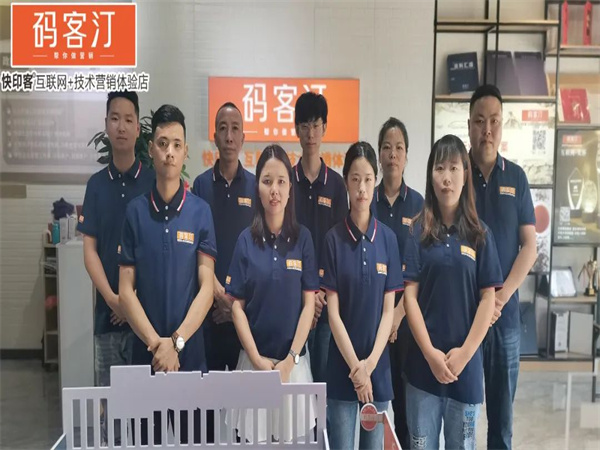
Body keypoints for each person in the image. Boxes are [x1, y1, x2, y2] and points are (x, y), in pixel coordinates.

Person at [118, 104, 216, 444]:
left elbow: (206, 288)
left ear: (186, 150)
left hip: (190, 357)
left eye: (176, 144)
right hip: (145, 357)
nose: (169, 152)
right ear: (151, 149)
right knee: (144, 442)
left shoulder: (200, 212)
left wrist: (175, 343)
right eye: (162, 144)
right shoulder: (134, 213)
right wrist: (157, 346)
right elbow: (125, 290)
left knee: (195, 441)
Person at [402, 134, 504, 449]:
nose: (446, 177)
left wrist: (465, 354)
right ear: (430, 175)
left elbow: (488, 298)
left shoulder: (480, 234)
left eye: (454, 168)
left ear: (465, 175)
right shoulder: (417, 231)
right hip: (423, 371)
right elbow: (409, 298)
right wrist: (430, 354)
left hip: (466, 373)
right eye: (439, 168)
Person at [77, 90, 155, 445]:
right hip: (106, 317)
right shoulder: (96, 186)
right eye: (114, 118)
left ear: (138, 128)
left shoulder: (153, 182)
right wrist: (113, 298)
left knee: (145, 412)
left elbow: (157, 248)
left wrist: (131, 300)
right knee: (110, 408)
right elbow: (89, 250)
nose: (121, 126)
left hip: (147, 322)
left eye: (128, 119)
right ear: (106, 125)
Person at [226, 144, 318, 443]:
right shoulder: (245, 240)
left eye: (281, 181)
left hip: (294, 366)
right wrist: (256, 359)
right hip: (254, 365)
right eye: (267, 181)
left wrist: (290, 360)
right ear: (258, 188)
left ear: (290, 189)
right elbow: (236, 307)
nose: (274, 190)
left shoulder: (303, 239)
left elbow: (308, 305)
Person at [320, 142, 403, 450]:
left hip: (377, 369)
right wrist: (357, 368)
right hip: (342, 369)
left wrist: (369, 367)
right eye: (355, 179)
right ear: (346, 182)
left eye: (368, 179)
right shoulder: (333, 239)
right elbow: (333, 314)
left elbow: (388, 312)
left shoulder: (388, 240)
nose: (362, 188)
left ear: (375, 181)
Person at [467, 84, 537, 449]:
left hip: (505, 317)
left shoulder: (517, 177)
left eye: (494, 121)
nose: (487, 129)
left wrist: (499, 297)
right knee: (462, 416)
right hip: (463, 315)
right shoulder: (456, 174)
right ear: (469, 126)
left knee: (502, 420)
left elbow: (530, 246)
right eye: (480, 121)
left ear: (502, 124)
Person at [370, 117, 423, 448]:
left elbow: (420, 269)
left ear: (406, 155)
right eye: (387, 148)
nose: (393, 154)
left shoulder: (419, 205)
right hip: (372, 317)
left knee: (404, 403)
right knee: (372, 400)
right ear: (379, 155)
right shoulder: (366, 201)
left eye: (399, 148)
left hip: (405, 319)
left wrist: (398, 315)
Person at [192, 102, 255, 372]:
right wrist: (218, 295)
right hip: (209, 311)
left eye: (235, 129)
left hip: (245, 314)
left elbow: (259, 250)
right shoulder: (201, 185)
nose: (229, 136)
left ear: (243, 137)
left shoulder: (255, 186)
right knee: (209, 391)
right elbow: (196, 247)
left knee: (244, 394)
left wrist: (235, 305)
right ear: (215, 137)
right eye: (223, 128)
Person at [292, 92, 348, 384]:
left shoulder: (337, 185)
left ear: (325, 128)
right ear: (296, 129)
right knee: (295, 382)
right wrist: (305, 293)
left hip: (327, 305)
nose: (310, 133)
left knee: (323, 382)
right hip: (293, 301)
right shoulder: (287, 181)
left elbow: (340, 246)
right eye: (304, 126)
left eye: (316, 125)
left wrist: (320, 293)